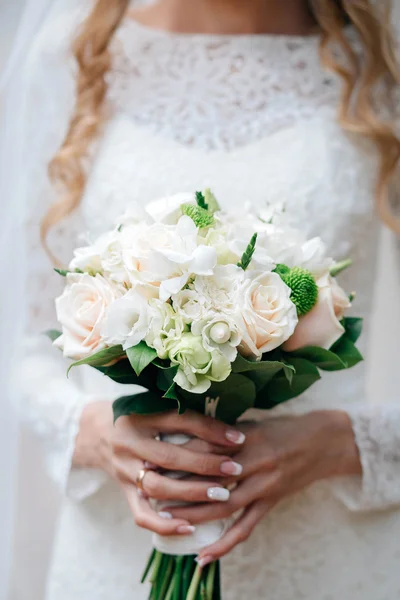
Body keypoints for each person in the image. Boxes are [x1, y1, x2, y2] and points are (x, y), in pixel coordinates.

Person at [4, 0, 400, 598]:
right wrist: (93, 432)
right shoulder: (76, 50)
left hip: (325, 550)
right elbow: (24, 342)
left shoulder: (380, 61)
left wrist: (342, 442)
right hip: (115, 551)